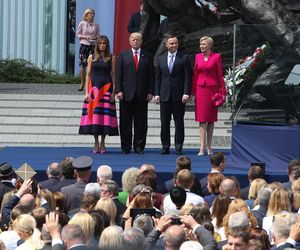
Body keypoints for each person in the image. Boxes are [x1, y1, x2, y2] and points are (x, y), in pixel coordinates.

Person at [115, 32, 154, 154]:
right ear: (129, 41)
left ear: (141, 41)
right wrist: (119, 90)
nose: (135, 42)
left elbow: (151, 75)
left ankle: (139, 146)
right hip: (126, 94)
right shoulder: (123, 55)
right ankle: (126, 147)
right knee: (125, 122)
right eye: (133, 40)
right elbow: (118, 74)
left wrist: (150, 91)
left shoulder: (148, 56)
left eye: (137, 40)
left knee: (141, 123)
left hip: (142, 94)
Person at [79, 35, 118, 154]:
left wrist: (113, 92)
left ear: (107, 45)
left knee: (104, 118)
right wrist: (86, 92)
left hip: (106, 89)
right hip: (93, 91)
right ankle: (96, 142)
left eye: (104, 43)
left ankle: (103, 142)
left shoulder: (111, 57)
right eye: (100, 43)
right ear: (97, 45)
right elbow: (88, 75)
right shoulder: (91, 57)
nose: (102, 45)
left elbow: (113, 75)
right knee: (95, 117)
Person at [154, 35, 192, 155]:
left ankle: (178, 147)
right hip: (164, 95)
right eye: (171, 43)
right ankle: (165, 146)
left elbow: (188, 77)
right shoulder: (160, 58)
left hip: (179, 96)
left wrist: (186, 93)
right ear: (166, 45)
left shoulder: (184, 58)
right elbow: (158, 78)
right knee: (164, 122)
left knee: (178, 122)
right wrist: (156, 93)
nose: (174, 45)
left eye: (175, 43)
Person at [192, 36, 226, 156]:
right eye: (201, 44)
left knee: (211, 120)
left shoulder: (217, 57)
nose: (202, 46)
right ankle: (201, 147)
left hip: (212, 90)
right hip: (201, 89)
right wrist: (192, 91)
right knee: (202, 119)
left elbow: (220, 75)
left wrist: (223, 92)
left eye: (204, 44)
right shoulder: (197, 57)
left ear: (210, 46)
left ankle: (209, 147)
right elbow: (195, 74)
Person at [76, 8, 100, 91]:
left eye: (93, 14)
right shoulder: (82, 23)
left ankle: (90, 83)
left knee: (92, 65)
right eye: (91, 13)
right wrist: (85, 37)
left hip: (93, 45)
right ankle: (82, 83)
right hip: (84, 45)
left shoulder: (96, 24)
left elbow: (98, 35)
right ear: (86, 15)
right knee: (83, 65)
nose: (92, 15)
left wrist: (95, 37)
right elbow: (78, 34)